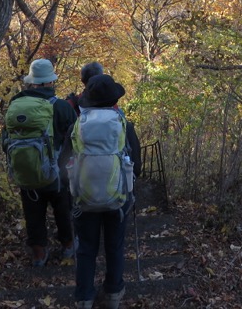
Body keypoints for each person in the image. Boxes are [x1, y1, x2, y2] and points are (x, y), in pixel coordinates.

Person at [72, 74, 141, 309]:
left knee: (86, 247)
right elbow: (137, 166)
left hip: (85, 195)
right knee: (114, 245)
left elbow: (66, 160)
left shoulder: (79, 125)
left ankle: (84, 297)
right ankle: (112, 294)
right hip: (118, 196)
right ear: (114, 101)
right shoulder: (124, 125)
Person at [5, 58, 77, 267]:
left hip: (26, 169)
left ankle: (38, 253)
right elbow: (75, 137)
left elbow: (6, 139)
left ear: (31, 82)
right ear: (50, 82)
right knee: (63, 208)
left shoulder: (16, 105)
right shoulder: (62, 107)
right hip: (58, 173)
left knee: (32, 211)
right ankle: (68, 245)